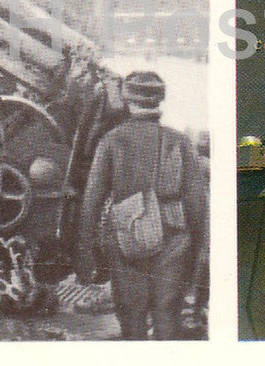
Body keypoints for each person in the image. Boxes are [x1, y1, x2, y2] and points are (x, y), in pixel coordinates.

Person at [76, 71, 207, 340]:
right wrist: (195, 252)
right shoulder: (180, 141)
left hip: (127, 235)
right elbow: (197, 204)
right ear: (160, 99)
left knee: (131, 316)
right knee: (168, 314)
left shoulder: (112, 140)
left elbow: (92, 201)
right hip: (174, 236)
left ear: (127, 99)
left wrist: (85, 248)